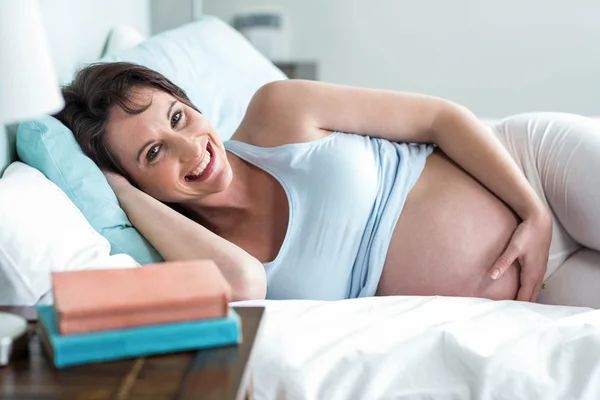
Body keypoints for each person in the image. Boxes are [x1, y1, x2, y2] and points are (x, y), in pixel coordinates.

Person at [55, 62, 600, 306]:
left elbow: (442, 117)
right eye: (153, 154)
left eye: (178, 118)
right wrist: (118, 192)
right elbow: (244, 285)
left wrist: (534, 214)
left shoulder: (277, 111)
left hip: (536, 174)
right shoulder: (203, 254)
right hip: (537, 289)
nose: (190, 147)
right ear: (135, 182)